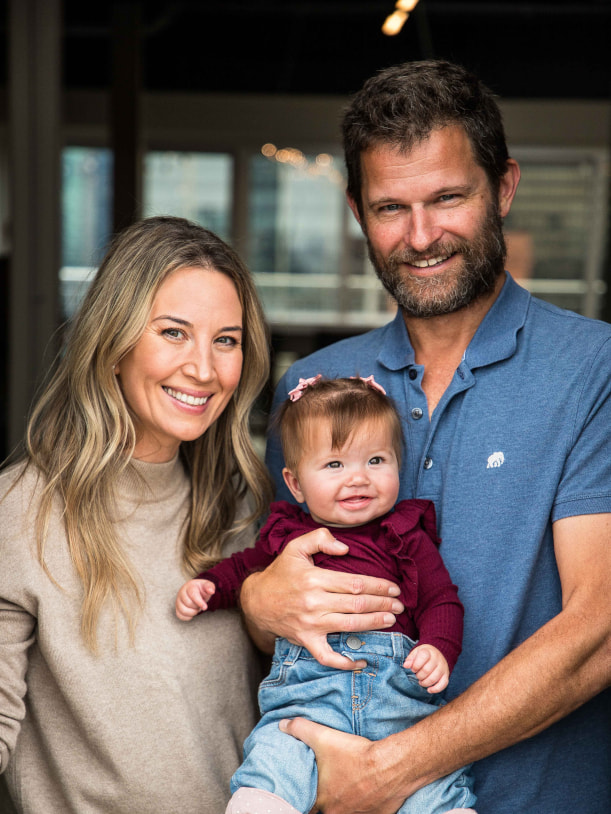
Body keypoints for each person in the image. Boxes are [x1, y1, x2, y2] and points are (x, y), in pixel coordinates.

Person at [240, 60, 611, 814]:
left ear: (502, 188)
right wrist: (254, 600)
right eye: (389, 208)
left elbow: (597, 627)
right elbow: (285, 598)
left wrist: (389, 771)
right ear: (355, 211)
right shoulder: (313, 388)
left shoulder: (593, 369)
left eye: (447, 198)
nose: (420, 236)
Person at [0, 215, 276, 814]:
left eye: (225, 340)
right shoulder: (19, 513)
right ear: (113, 341)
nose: (204, 369)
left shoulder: (240, 509)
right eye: (174, 332)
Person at [176, 375, 476, 814]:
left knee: (435, 784)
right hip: (307, 698)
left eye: (376, 460)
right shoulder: (287, 536)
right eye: (335, 465)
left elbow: (441, 600)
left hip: (399, 707)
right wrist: (211, 585)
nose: (358, 478)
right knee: (279, 754)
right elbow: (245, 569)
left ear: (398, 464)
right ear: (295, 484)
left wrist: (438, 647)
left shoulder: (407, 535)